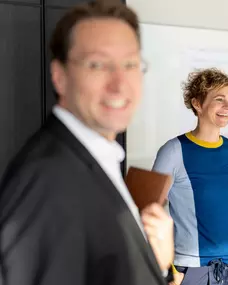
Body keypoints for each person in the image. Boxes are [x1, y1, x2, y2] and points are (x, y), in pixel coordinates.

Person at [0, 1, 174, 284]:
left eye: (130, 64)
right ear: (60, 76)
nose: (119, 84)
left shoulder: (94, 159)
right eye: (97, 64)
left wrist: (156, 263)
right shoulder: (47, 180)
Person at [153, 68, 228, 285]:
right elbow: (146, 211)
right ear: (197, 104)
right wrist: (167, 268)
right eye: (219, 99)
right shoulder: (173, 150)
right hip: (194, 269)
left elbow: (224, 208)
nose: (227, 107)